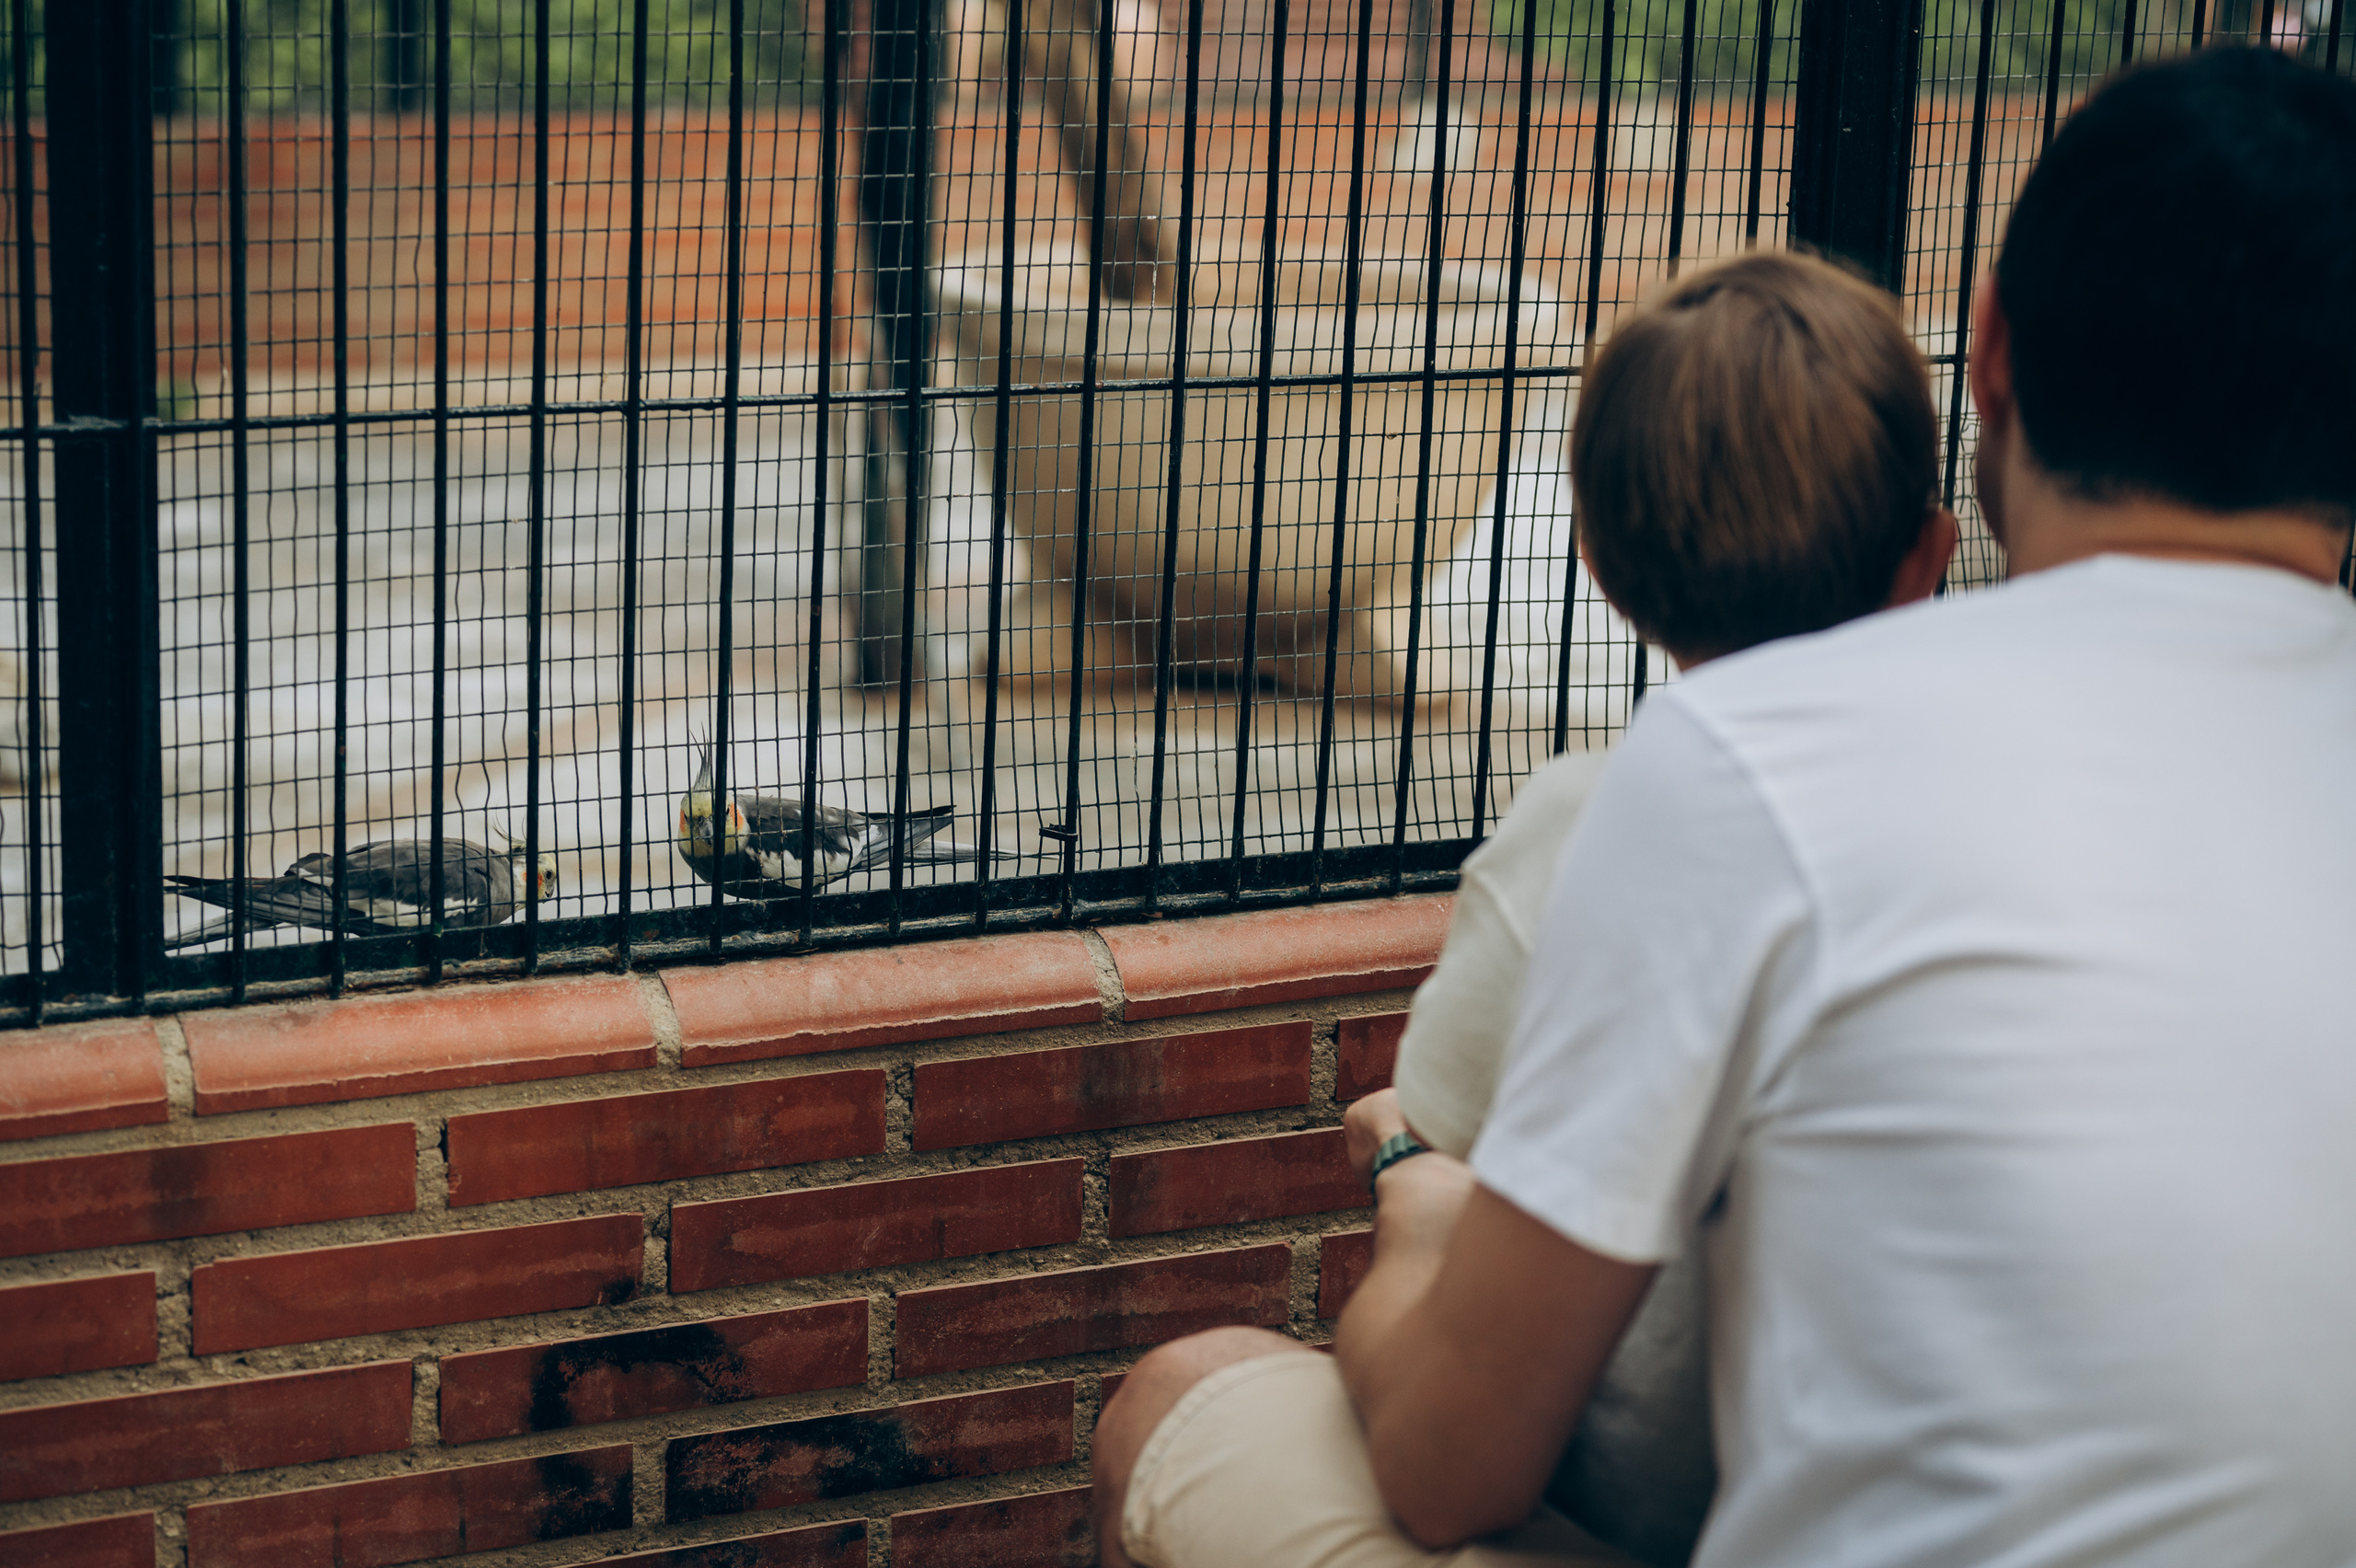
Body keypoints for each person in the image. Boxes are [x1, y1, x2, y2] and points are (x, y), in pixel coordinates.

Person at [1092, 44, 2356, 1568]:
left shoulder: (1762, 751)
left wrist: (1420, 1197)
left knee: (1187, 1397)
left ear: (1997, 351)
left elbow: (1449, 1470)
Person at [1095, 233, 1959, 1566]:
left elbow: (1435, 1139)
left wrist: (1411, 1177)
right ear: (1931, 558)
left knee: (1180, 1389)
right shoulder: (2029, 811)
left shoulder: (1595, 815)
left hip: (1643, 1515)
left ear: (1603, 571)